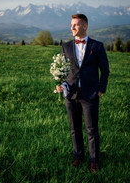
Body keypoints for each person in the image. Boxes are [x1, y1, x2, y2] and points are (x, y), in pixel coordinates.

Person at [57, 14, 109, 172]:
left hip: (90, 94)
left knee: (92, 129)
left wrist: (101, 89)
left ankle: (94, 160)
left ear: (85, 26)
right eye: (71, 24)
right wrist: (61, 85)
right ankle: (78, 156)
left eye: (76, 25)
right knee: (74, 128)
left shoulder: (97, 46)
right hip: (71, 94)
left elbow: (105, 70)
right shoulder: (65, 47)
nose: (72, 27)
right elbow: (62, 72)